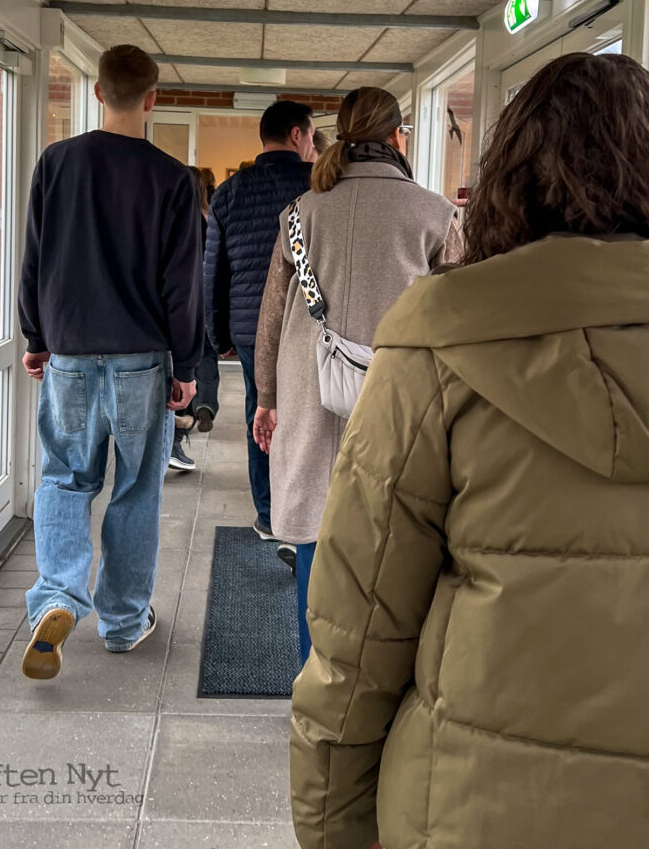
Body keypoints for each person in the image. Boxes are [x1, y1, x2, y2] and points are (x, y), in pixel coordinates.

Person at [289, 52, 649, 849]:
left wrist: (331, 830)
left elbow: (357, 639)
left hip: (468, 808)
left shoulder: (440, 347)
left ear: (510, 174)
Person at [252, 86, 461, 659]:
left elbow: (271, 316)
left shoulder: (300, 214)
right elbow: (460, 317)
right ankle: (381, 680)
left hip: (309, 385)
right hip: (400, 391)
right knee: (397, 535)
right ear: (397, 137)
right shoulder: (435, 214)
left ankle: (311, 670)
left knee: (316, 535)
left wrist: (266, 396)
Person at [18, 44, 203, 680]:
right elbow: (181, 284)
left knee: (66, 477)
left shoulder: (57, 163)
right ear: (152, 100)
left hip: (68, 351)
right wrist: (187, 364)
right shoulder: (174, 179)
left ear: (98, 93)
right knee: (134, 487)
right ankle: (124, 622)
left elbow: (35, 258)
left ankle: (55, 598)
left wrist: (35, 336)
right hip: (141, 358)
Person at [204, 101, 314, 545]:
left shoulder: (228, 192)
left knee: (260, 413)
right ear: (295, 135)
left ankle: (268, 514)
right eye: (309, 137)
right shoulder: (319, 189)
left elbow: (213, 273)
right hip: (309, 325)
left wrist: (219, 335)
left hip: (250, 329)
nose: (310, 146)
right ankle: (304, 511)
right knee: (307, 418)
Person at [170, 166, 220, 471]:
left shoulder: (164, 220)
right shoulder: (206, 219)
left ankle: (179, 428)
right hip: (200, 304)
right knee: (205, 359)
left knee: (176, 368)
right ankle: (203, 407)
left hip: (172, 311)